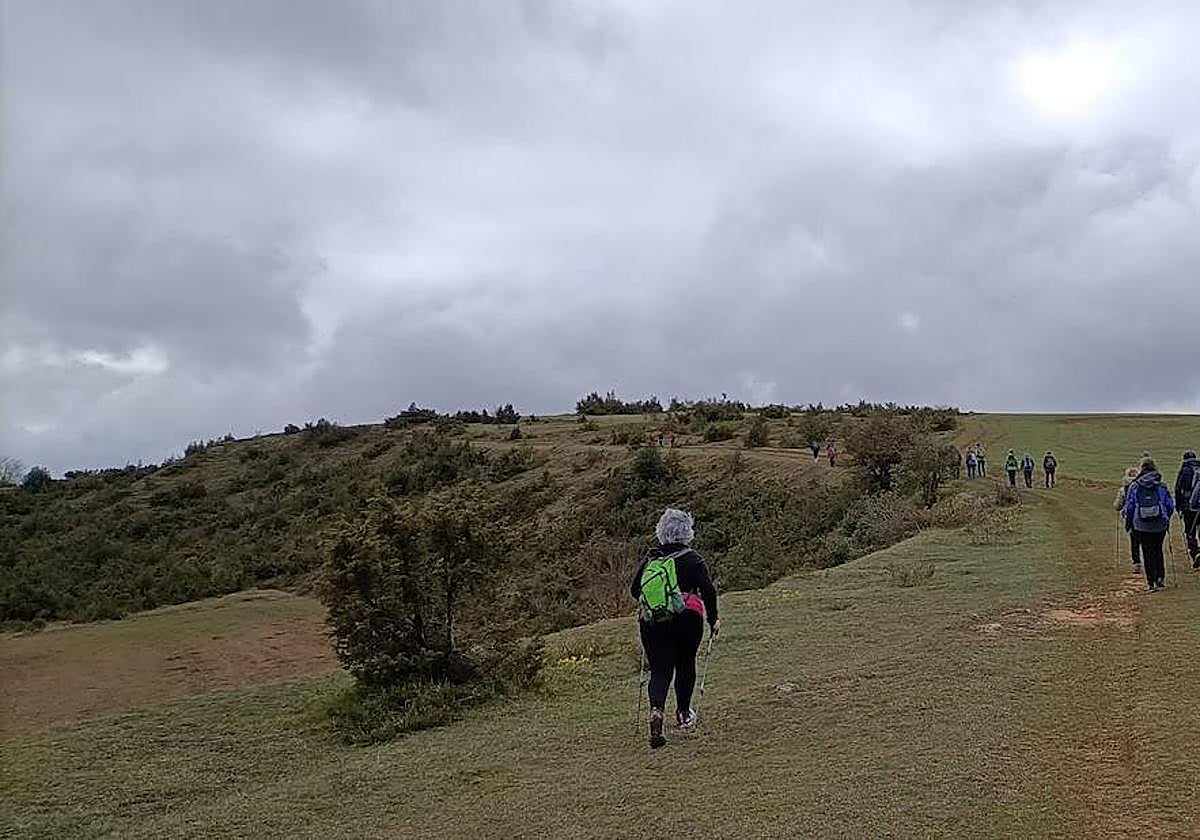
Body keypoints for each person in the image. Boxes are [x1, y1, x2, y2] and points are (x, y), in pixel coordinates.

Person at [631, 508, 720, 749]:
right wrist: (714, 619)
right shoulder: (693, 558)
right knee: (685, 663)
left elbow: (634, 590)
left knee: (660, 670)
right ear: (687, 533)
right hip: (688, 618)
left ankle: (656, 710)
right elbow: (708, 590)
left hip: (653, 621)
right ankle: (683, 714)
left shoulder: (652, 559)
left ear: (661, 532)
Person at [1123, 457, 1175, 591]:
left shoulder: (1135, 486)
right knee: (1158, 549)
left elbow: (1130, 507)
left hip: (1141, 525)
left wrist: (1128, 523)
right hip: (1160, 524)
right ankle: (1160, 578)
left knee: (1147, 552)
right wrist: (1166, 518)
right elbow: (1170, 505)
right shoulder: (1161, 485)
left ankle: (1151, 582)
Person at [1173, 450, 1200, 564]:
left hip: (1188, 507)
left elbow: (1178, 490)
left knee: (1190, 531)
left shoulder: (1184, 471)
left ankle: (1195, 553)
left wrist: (1178, 508)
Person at [1115, 466, 1142, 571]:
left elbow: (1118, 505)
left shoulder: (1123, 489)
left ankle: (1136, 563)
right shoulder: (1142, 485)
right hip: (1144, 516)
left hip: (1130, 518)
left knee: (1134, 541)